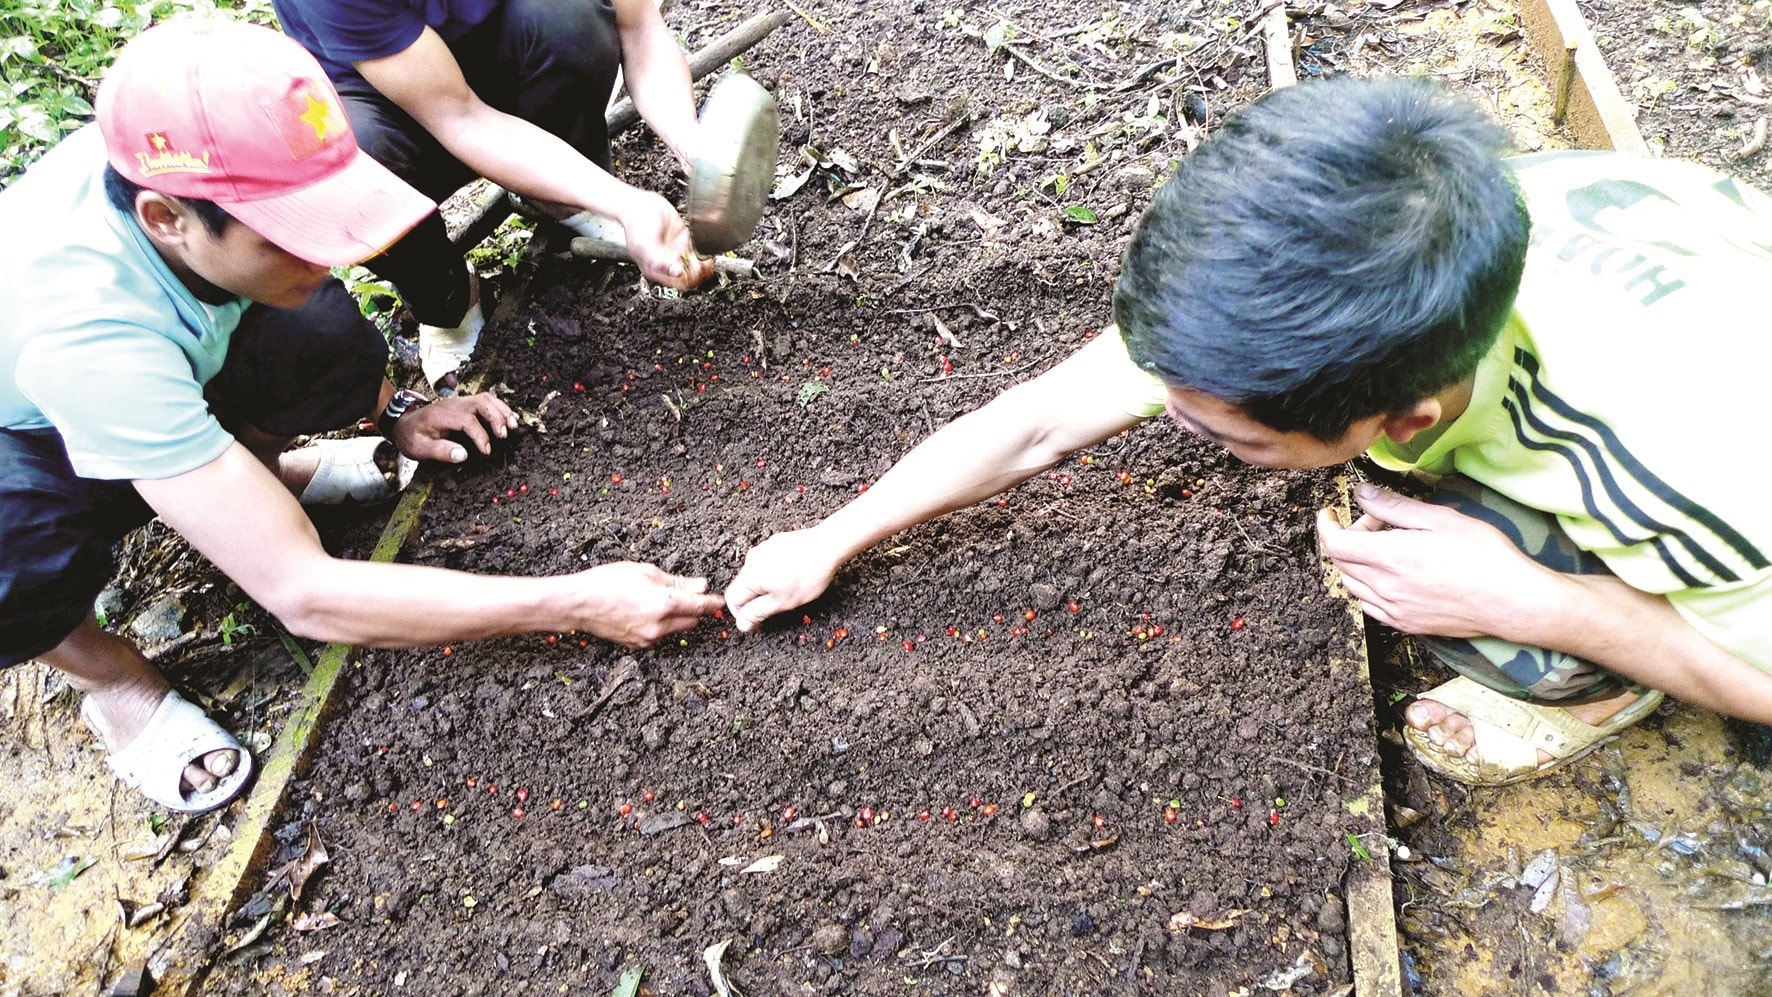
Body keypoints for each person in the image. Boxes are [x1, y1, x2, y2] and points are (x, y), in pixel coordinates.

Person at [723, 75, 1772, 786]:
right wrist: (831, 536)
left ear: (1402, 415)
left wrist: (1549, 606)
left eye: (1237, 439)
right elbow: (1038, 423)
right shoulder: (1370, 254)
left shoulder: (1695, 469)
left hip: (1722, 439)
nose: (1184, 432)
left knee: (1470, 608)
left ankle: (1600, 690)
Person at [0, 20, 723, 814]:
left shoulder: (195, 174)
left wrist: (397, 410)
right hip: (22, 437)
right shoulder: (90, 337)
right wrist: (574, 601)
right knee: (20, 558)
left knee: (323, 333)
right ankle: (108, 675)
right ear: (166, 220)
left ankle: (263, 484)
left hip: (159, 346)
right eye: (290, 236)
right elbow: (304, 594)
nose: (325, 255)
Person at [271, 0, 717, 392]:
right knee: (351, 167)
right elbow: (459, 117)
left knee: (572, 21)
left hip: (501, 36)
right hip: (382, 98)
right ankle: (448, 303)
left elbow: (636, 22)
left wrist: (690, 145)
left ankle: (565, 199)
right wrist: (627, 202)